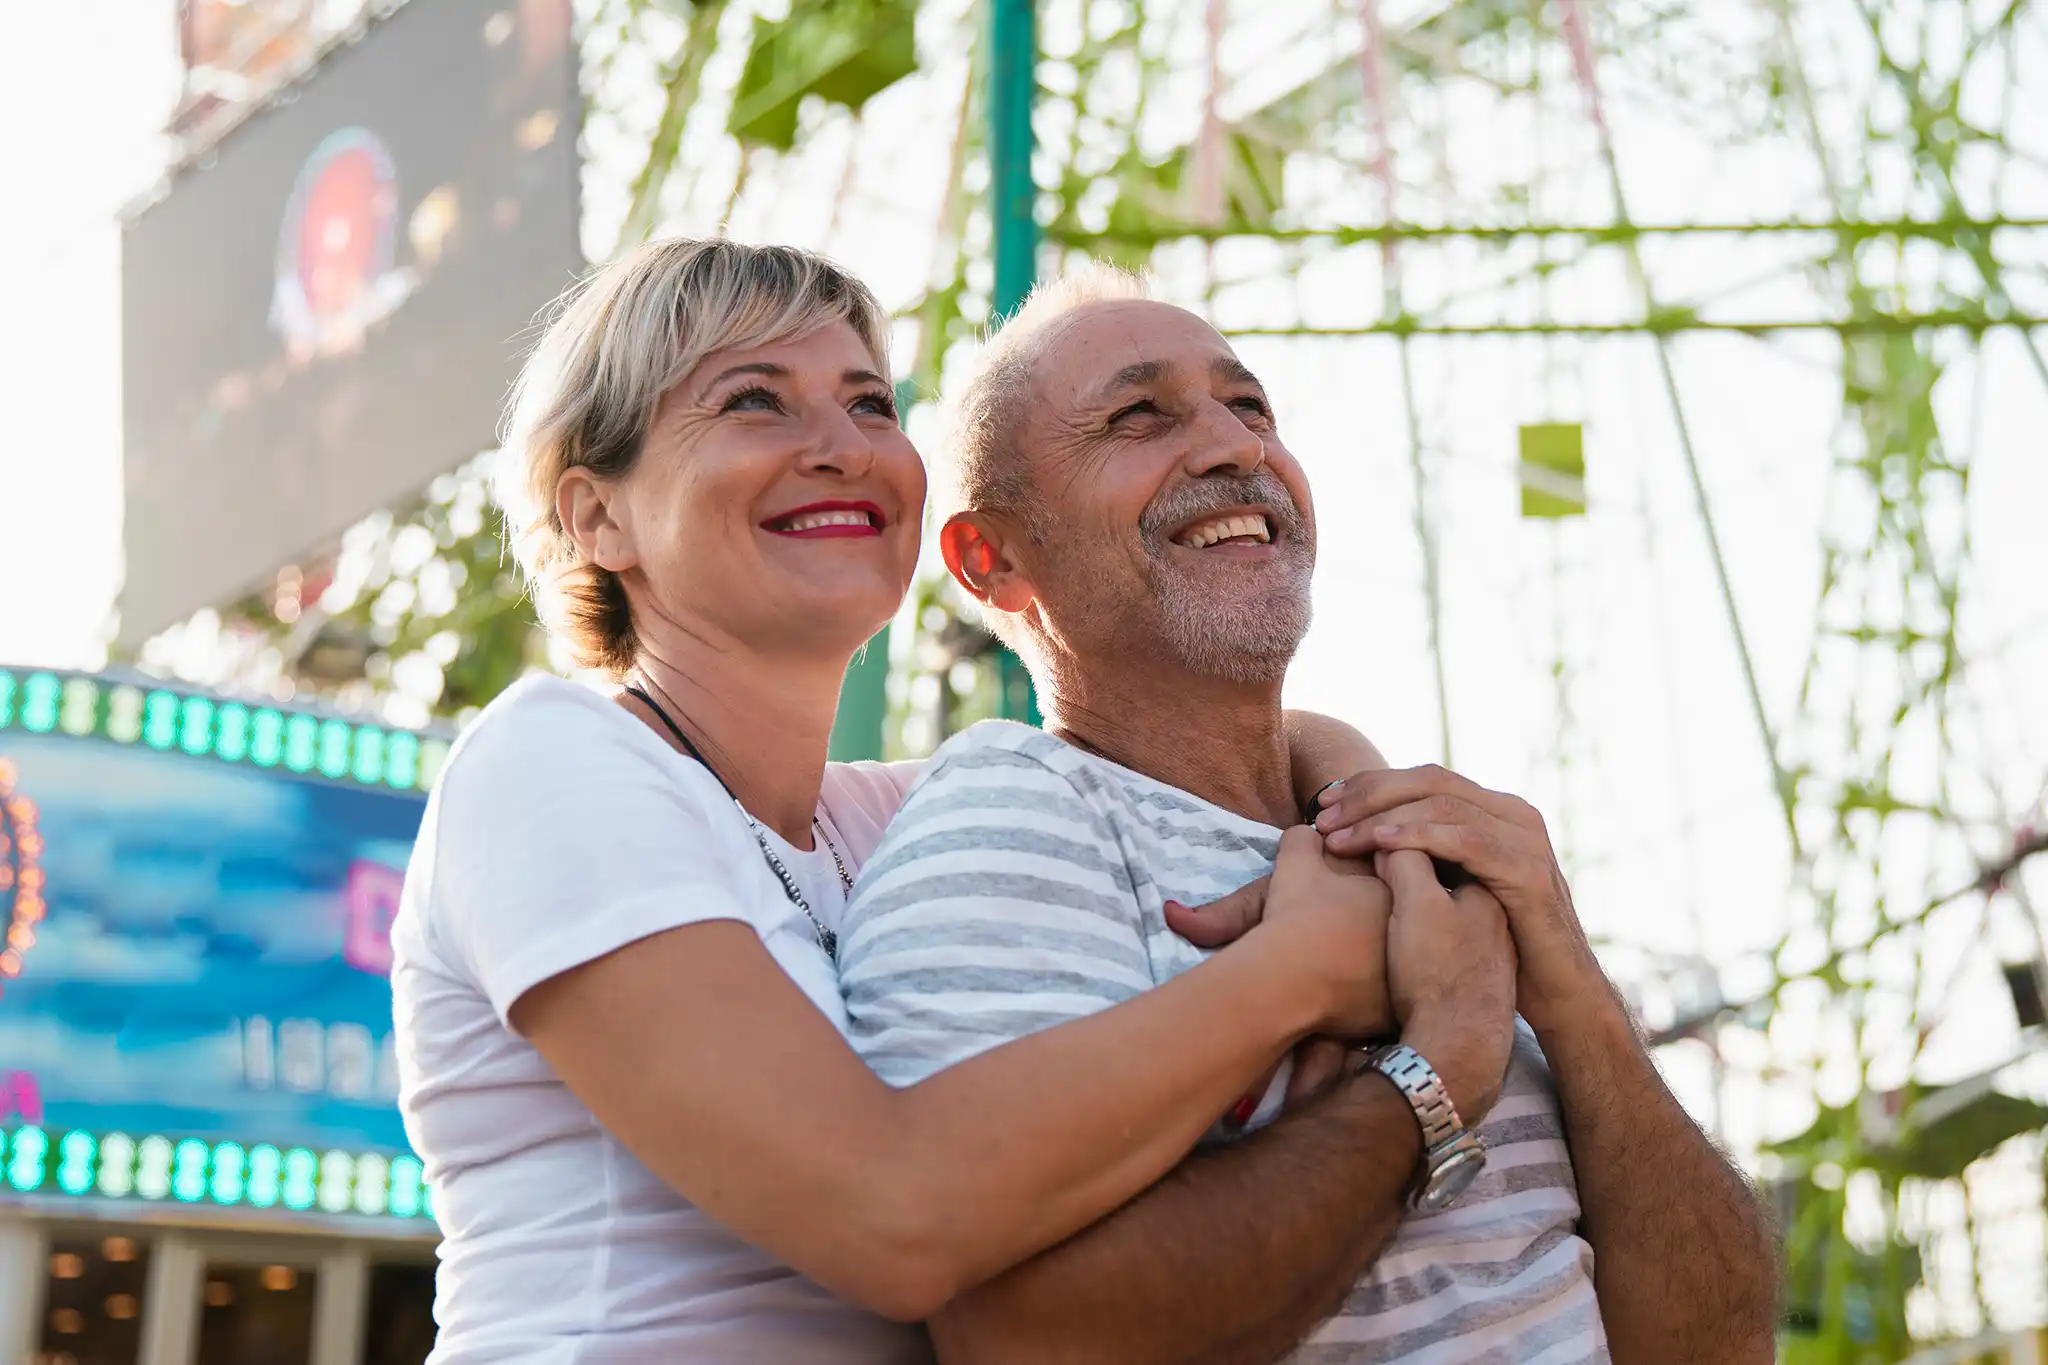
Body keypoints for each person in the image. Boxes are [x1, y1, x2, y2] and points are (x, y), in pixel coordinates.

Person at [391, 237, 1424, 1363]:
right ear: (598, 516)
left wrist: (1352, 808)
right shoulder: (550, 764)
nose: (843, 448)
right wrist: (1302, 972)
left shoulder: (895, 819)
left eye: (870, 404)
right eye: (755, 402)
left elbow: (1235, 750)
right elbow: (888, 1221)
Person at [837, 266, 1781, 1364]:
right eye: (1139, 416)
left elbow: (1719, 1347)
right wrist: (1436, 1070)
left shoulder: (1437, 855)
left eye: (1250, 406)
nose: (1233, 446)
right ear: (991, 559)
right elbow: (1027, 1339)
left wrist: (1573, 994)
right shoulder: (1012, 822)